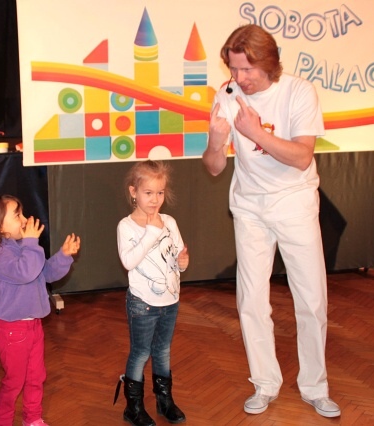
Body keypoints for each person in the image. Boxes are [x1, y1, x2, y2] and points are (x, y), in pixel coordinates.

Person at [202, 24, 340, 418]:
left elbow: (302, 157)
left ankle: (315, 386)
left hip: (295, 204)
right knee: (251, 300)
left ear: (268, 63)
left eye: (246, 69)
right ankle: (264, 383)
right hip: (250, 208)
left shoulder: (299, 92)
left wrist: (255, 132)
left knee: (311, 299)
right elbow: (213, 167)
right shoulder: (227, 95)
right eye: (233, 69)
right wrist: (216, 142)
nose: (238, 78)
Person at [0, 195, 81, 426]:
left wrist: (63, 256)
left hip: (33, 326)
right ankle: (2, 421)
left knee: (36, 377)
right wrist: (31, 242)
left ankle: (32, 418)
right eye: (17, 215)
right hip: (12, 330)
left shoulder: (24, 248)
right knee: (14, 382)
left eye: (22, 213)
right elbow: (25, 272)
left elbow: (45, 273)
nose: (24, 219)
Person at [113, 160, 189, 426]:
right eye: (148, 193)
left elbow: (178, 257)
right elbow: (128, 262)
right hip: (142, 303)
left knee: (163, 351)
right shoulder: (126, 226)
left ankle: (164, 400)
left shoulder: (170, 221)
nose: (155, 199)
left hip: (170, 301)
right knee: (140, 353)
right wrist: (151, 232)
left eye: (160, 192)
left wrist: (182, 262)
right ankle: (133, 408)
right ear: (133, 192)